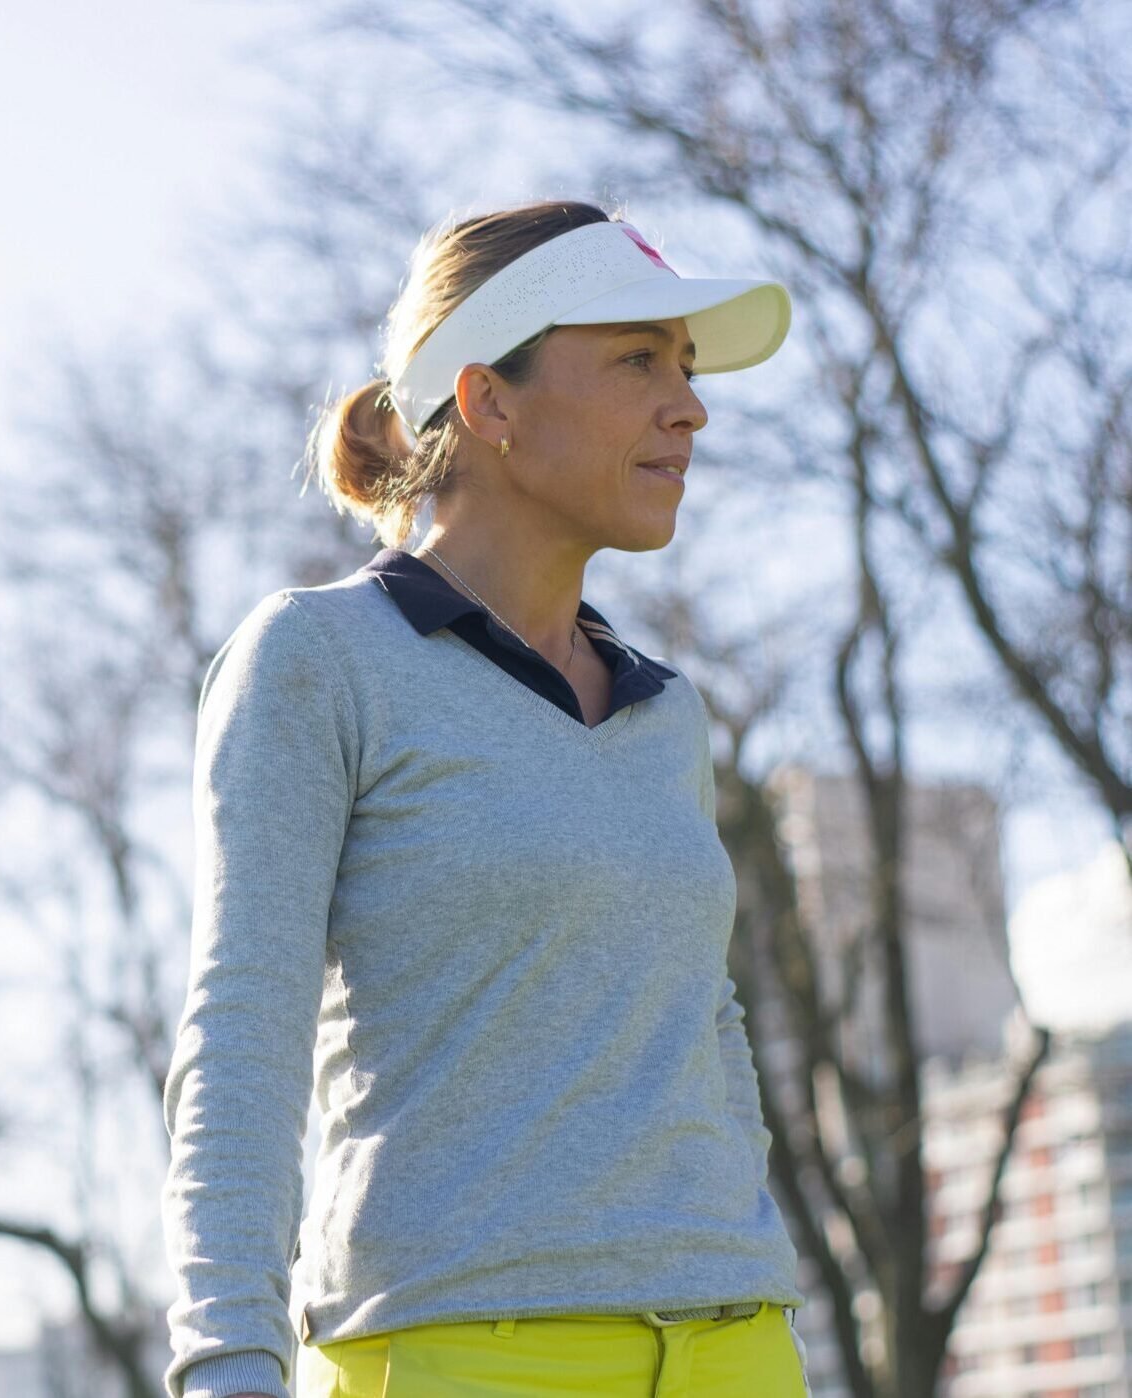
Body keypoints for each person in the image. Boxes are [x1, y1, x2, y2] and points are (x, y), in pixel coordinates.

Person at [159, 198, 814, 1398]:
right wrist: (227, 1362)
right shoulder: (317, 659)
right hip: (460, 1349)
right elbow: (243, 1033)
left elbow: (702, 1021)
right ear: (488, 399)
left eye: (688, 365)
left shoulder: (669, 716)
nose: (691, 406)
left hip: (737, 1346)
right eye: (636, 359)